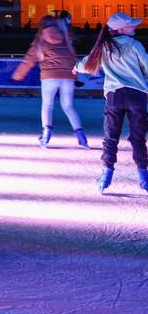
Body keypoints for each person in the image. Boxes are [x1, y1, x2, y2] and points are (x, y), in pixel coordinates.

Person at [76, 13, 148, 194]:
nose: (135, 27)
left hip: (115, 96)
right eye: (131, 25)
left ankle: (106, 174)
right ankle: (144, 177)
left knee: (110, 137)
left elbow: (87, 64)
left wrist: (74, 67)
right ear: (120, 29)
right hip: (137, 96)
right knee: (138, 138)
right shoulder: (135, 46)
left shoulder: (105, 46)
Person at [12, 14, 86, 148]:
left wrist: (17, 77)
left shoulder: (40, 40)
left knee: (47, 106)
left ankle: (46, 135)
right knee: (68, 106)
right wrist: (77, 78)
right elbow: (72, 59)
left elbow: (29, 60)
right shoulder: (66, 38)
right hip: (67, 77)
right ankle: (81, 137)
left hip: (49, 76)